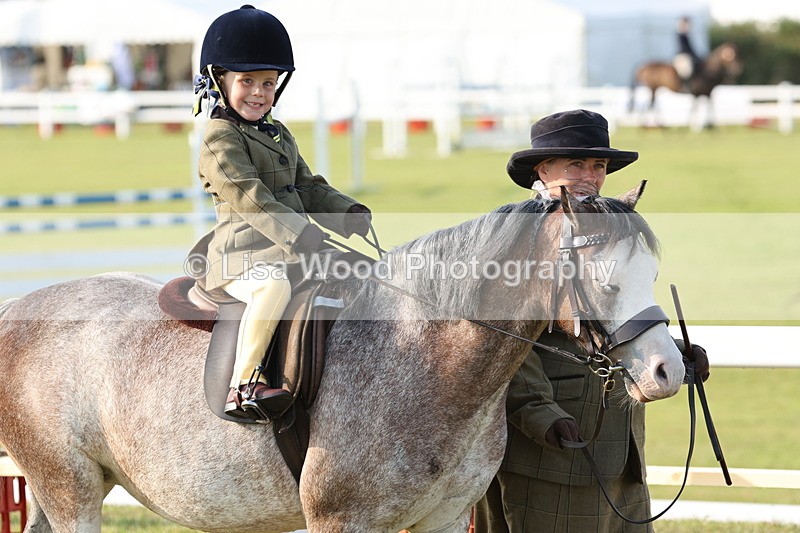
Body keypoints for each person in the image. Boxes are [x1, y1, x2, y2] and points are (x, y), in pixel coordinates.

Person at [473, 109, 710, 532]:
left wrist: (673, 353)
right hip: (551, 447)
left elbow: (621, 305)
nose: (590, 175)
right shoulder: (514, 232)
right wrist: (539, 412)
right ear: (543, 169)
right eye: (576, 164)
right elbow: (501, 335)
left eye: (598, 165)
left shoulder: (611, 223)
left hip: (622, 447)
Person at [189, 5, 372, 420]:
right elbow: (250, 198)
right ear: (219, 82)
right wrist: (300, 233)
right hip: (245, 257)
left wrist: (348, 212)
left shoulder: (278, 132)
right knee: (272, 289)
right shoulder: (220, 139)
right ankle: (244, 385)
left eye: (268, 83)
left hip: (292, 247)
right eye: (247, 81)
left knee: (361, 275)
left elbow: (306, 185)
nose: (258, 92)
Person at [674, 15, 701, 88]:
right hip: (683, 55)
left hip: (688, 55)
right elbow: (684, 47)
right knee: (687, 69)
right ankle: (685, 85)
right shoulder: (680, 35)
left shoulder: (686, 35)